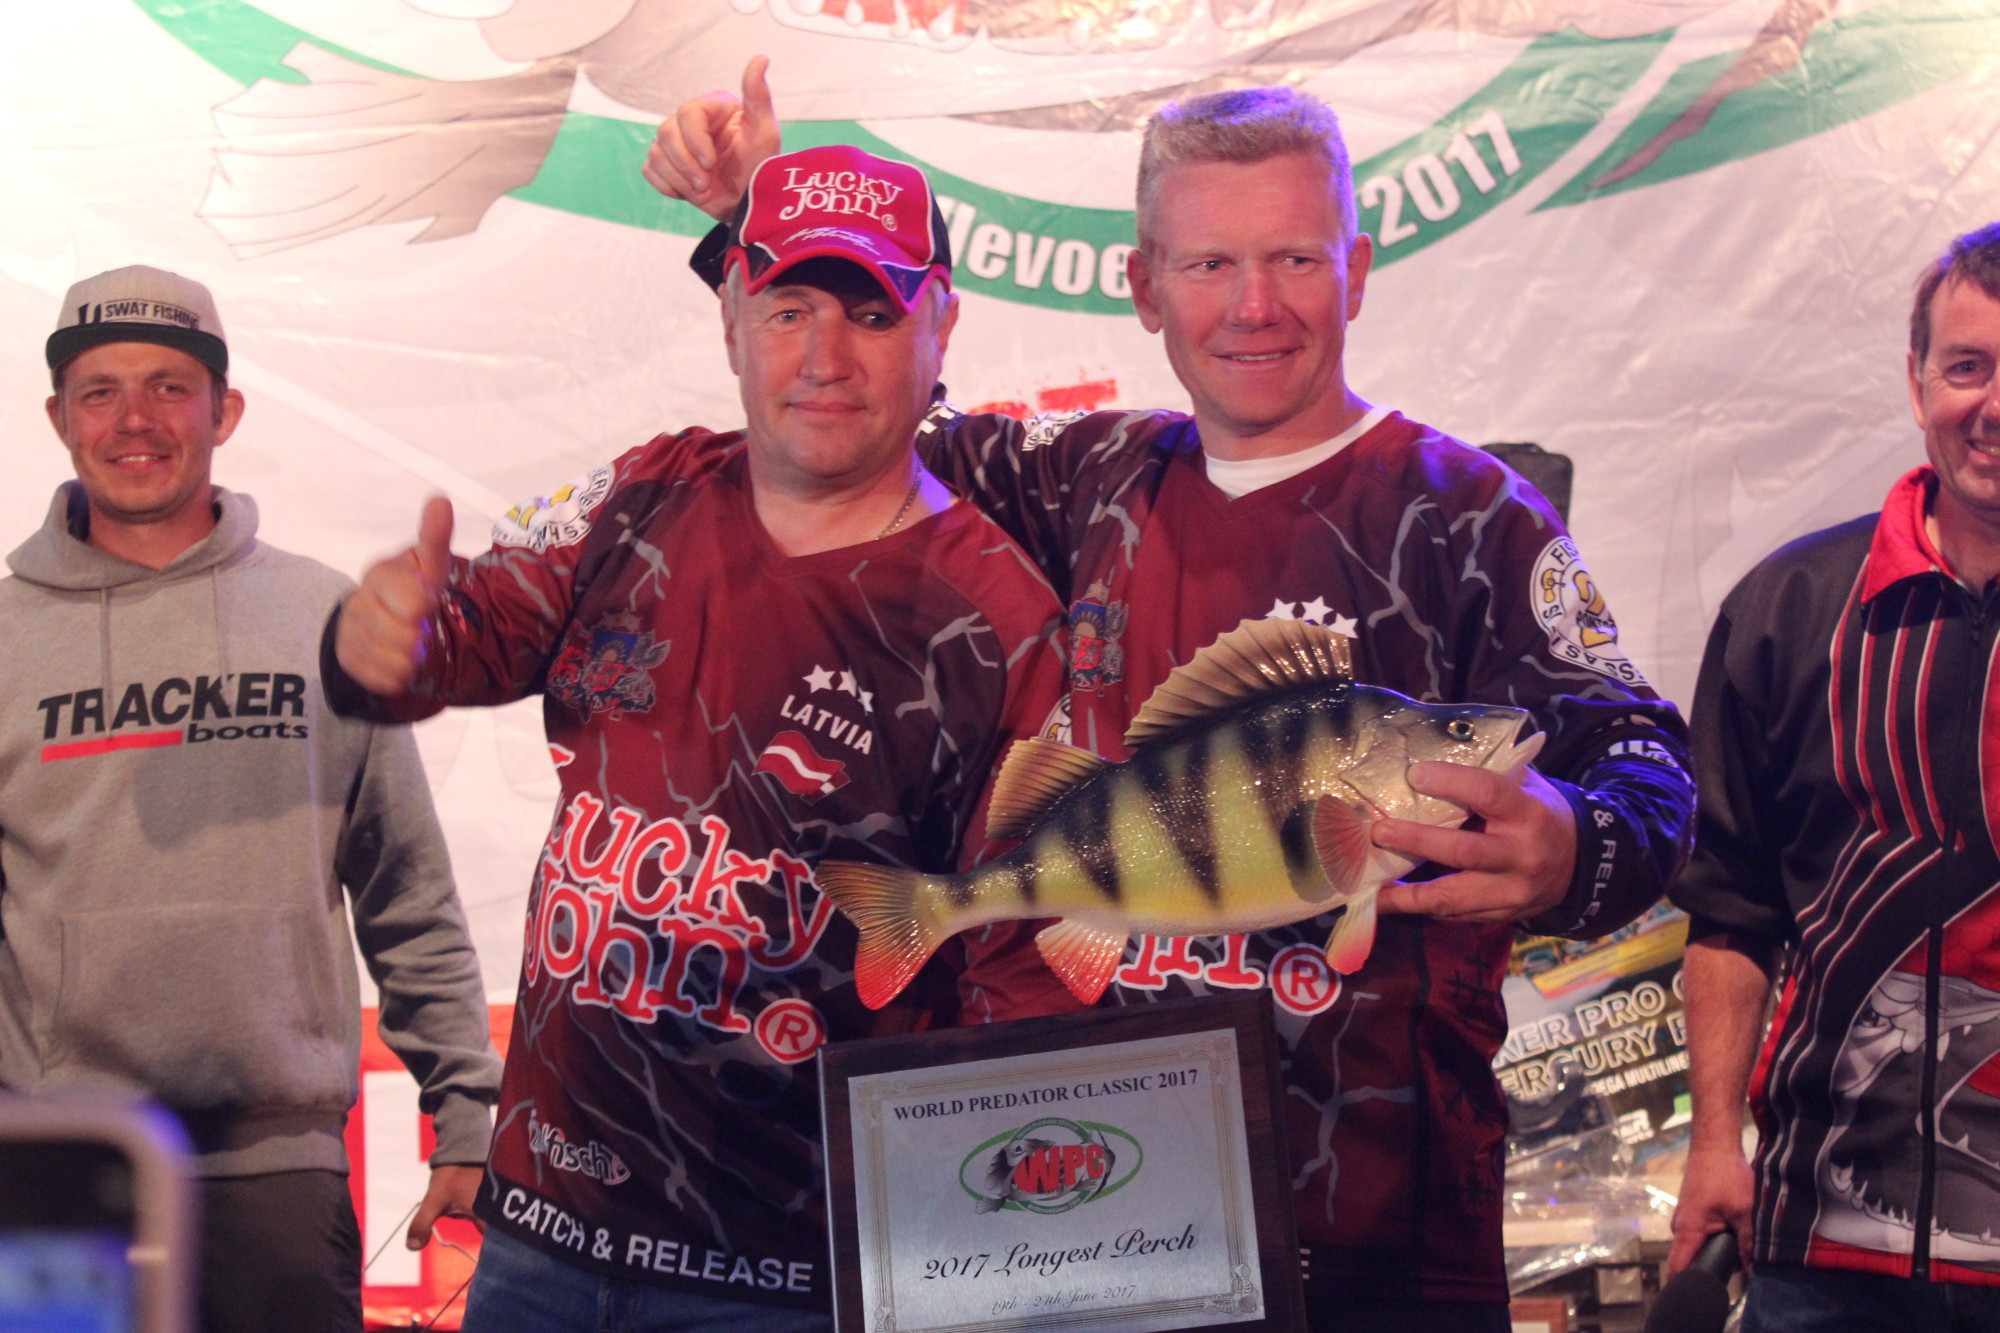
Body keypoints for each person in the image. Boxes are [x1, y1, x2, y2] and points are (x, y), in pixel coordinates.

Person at [649, 67, 1698, 1331]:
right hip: (1074, 1225)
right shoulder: (1078, 478)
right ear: (1143, 287)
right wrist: (751, 221)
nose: (1252, 305)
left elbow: (1643, 761)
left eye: (1294, 259)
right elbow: (853, 415)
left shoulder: (1469, 516)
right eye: (1207, 264)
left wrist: (1574, 846)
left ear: (1357, 271)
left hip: (1370, 1241)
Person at [324, 145, 1069, 1332]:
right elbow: (471, 633)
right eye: (787, 308)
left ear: (939, 322)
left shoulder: (997, 623)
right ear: (730, 318)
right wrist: (388, 639)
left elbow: (1026, 976)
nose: (823, 358)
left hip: (797, 1277)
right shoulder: (648, 493)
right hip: (540, 1240)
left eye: (872, 314)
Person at [0, 265, 503, 1333]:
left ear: (224, 410)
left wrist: (467, 1109)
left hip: (277, 1173)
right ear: (58, 418)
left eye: (168, 387)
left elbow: (407, 888)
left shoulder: (322, 616)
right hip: (52, 1172)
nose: (134, 420)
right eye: (100, 391)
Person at [1666, 223, 2000, 1331]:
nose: (1993, 405)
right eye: (1967, 365)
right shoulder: (1790, 609)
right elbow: (1731, 911)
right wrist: (1713, 1143)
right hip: (1822, 1248)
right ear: (1916, 381)